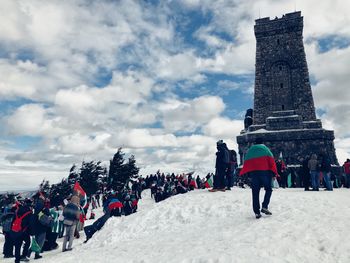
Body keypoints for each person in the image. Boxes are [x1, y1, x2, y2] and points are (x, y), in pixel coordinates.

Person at [239, 138, 278, 219]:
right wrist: (274, 173)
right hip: (265, 173)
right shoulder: (266, 149)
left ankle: (256, 212)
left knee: (255, 192)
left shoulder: (250, 150)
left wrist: (247, 173)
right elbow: (272, 161)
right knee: (268, 189)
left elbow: (246, 161)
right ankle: (264, 206)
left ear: (255, 143)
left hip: (254, 173)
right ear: (262, 142)